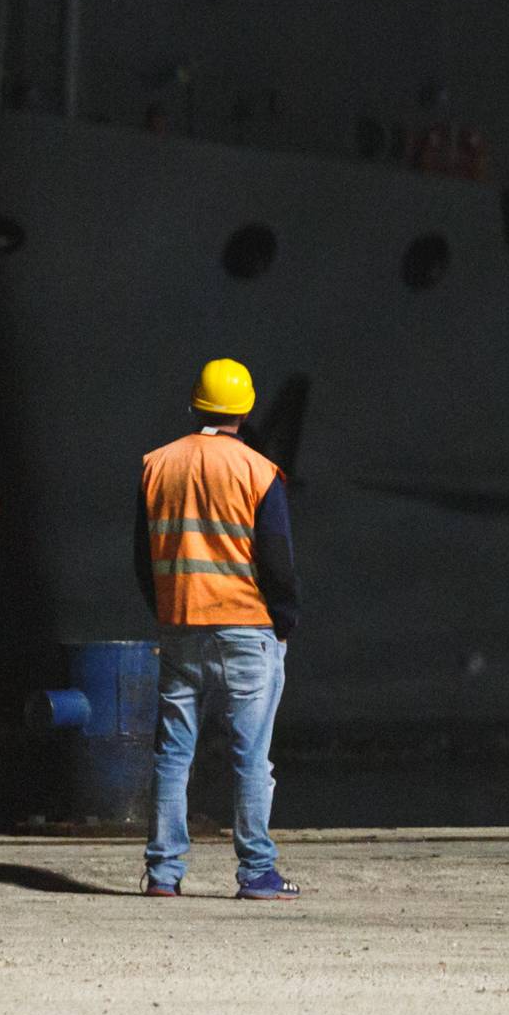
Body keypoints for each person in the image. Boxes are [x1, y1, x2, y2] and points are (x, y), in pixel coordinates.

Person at [137, 358, 300, 901]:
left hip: (181, 627)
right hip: (247, 631)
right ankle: (256, 873)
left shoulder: (157, 465)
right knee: (252, 758)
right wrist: (285, 620)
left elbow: (144, 558)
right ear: (247, 408)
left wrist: (168, 608)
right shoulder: (259, 471)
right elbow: (277, 559)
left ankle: (163, 875)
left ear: (194, 404)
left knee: (172, 756)